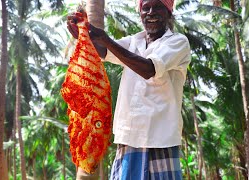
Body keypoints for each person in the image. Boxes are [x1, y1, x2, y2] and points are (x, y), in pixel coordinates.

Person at [67, 0, 191, 179]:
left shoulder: (178, 42)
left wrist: (106, 39)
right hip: (129, 138)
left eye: (157, 7)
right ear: (140, 13)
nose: (150, 12)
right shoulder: (134, 41)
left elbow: (149, 69)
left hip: (160, 140)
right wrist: (82, 34)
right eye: (146, 7)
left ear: (169, 12)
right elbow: (103, 51)